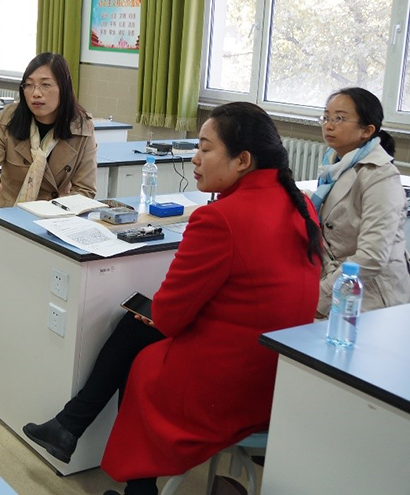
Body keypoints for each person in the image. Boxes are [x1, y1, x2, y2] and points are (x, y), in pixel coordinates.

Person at [22, 102, 322, 495]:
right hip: (277, 376)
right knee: (135, 327)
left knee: (143, 355)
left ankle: (114, 465)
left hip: (229, 383)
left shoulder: (220, 218)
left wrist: (160, 312)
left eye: (205, 149)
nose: (194, 158)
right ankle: (70, 428)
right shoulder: (300, 206)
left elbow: (169, 317)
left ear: (243, 160)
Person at [0, 52, 97, 284]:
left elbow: (85, 191)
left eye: (45, 85)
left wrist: (53, 213)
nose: (36, 93)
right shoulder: (9, 119)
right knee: (4, 293)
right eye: (28, 85)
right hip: (10, 221)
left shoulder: (81, 127)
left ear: (64, 88)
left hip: (54, 228)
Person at [313, 87, 410, 316]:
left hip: (373, 296)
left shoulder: (379, 175)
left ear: (367, 130)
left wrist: (323, 294)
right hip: (338, 283)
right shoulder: (335, 165)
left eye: (339, 118)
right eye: (326, 117)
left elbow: (372, 257)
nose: (328, 125)